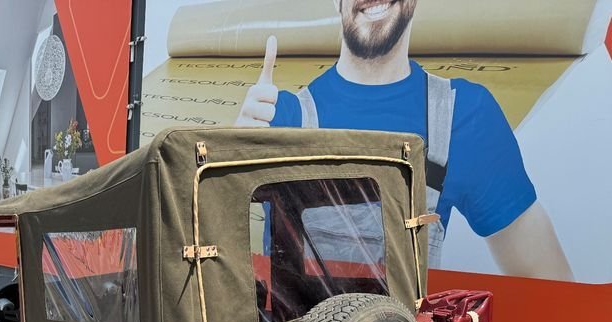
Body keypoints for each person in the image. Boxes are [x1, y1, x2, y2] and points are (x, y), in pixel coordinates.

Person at [236, 0, 573, 281]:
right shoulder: (277, 120)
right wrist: (229, 160)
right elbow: (219, 263)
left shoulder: (464, 115)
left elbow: (552, 290)